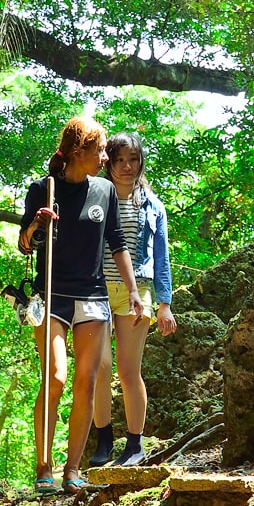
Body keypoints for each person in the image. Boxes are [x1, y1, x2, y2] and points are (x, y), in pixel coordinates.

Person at [19, 117, 141, 493]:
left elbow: (117, 242)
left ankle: (72, 470)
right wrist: (37, 225)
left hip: (92, 296)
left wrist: (133, 292)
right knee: (54, 378)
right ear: (79, 151)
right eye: (100, 150)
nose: (105, 157)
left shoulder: (104, 191)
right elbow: (24, 244)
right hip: (51, 295)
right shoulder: (43, 189)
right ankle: (44, 467)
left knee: (86, 382)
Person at [89, 135, 178, 467]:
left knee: (128, 371)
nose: (127, 167)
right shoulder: (95, 196)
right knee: (97, 369)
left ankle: (135, 444)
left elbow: (161, 256)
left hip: (135, 290)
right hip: (95, 289)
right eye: (119, 160)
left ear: (141, 162)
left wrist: (164, 303)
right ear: (108, 163)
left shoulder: (152, 205)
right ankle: (103, 440)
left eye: (133, 159)